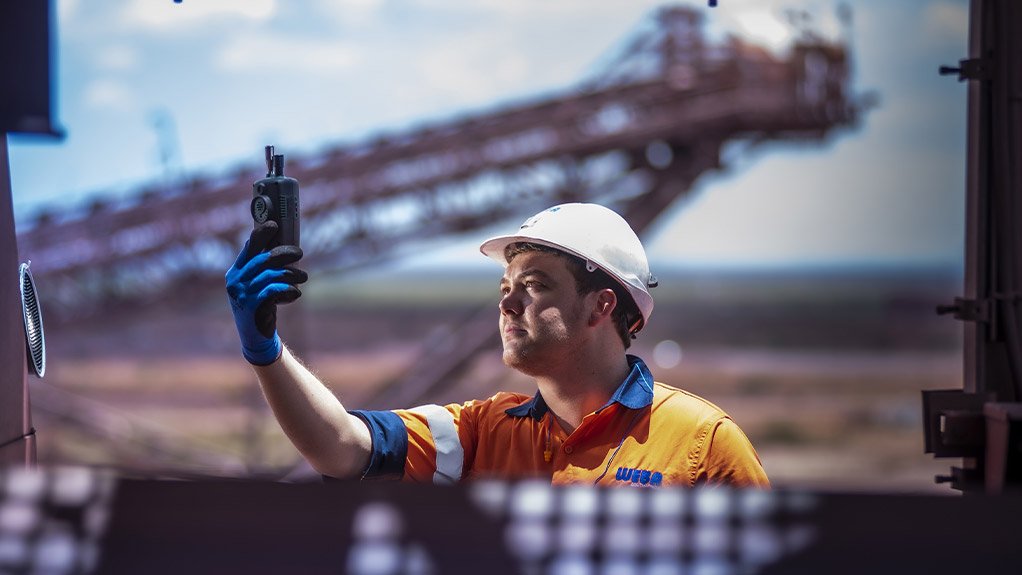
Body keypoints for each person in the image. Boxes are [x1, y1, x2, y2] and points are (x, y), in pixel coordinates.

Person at [226, 203, 769, 488]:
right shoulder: (481, 434)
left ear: (602, 307)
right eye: (505, 289)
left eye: (534, 287)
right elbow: (341, 445)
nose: (507, 306)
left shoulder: (702, 445)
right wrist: (266, 349)